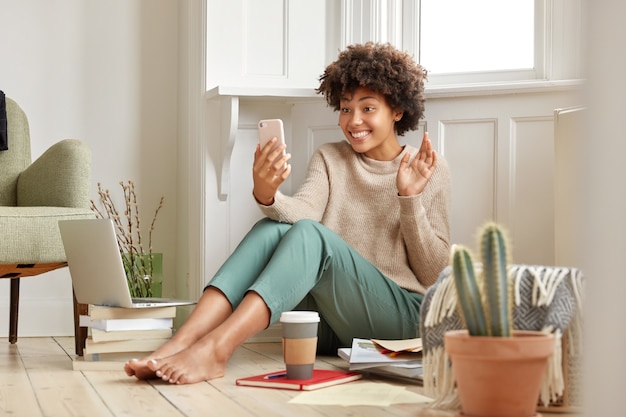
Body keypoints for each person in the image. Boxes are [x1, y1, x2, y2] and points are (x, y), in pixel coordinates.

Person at [125, 42, 451, 385]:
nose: (353, 121)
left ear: (397, 110)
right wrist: (267, 193)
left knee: (310, 235)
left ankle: (217, 349)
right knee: (272, 230)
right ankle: (177, 344)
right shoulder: (331, 158)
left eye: (367, 108)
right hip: (332, 327)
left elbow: (434, 273)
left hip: (400, 323)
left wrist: (409, 200)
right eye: (345, 109)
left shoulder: (427, 168)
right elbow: (301, 213)